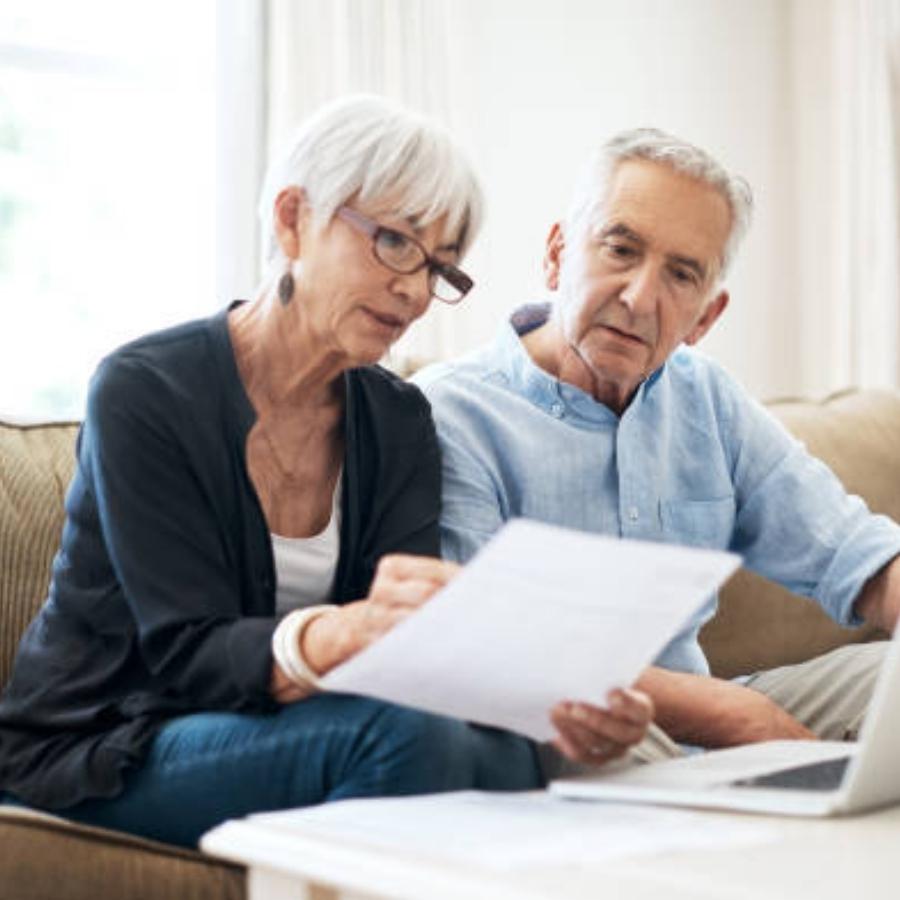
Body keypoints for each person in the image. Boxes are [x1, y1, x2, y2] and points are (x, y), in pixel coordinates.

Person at [0, 97, 652, 847]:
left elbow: (410, 648)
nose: (414, 290)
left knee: (513, 756)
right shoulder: (146, 390)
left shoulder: (399, 420)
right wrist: (337, 636)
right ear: (291, 219)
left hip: (279, 727)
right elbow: (183, 653)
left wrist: (562, 707)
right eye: (396, 243)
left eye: (439, 266)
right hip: (110, 742)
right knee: (404, 739)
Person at [415, 128, 900, 769]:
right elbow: (489, 647)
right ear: (558, 255)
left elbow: (855, 553)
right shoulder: (450, 413)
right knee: (588, 729)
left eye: (680, 275)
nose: (641, 297)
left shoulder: (705, 398)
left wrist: (736, 714)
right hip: (566, 722)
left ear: (705, 316)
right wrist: (732, 715)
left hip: (708, 722)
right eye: (621, 249)